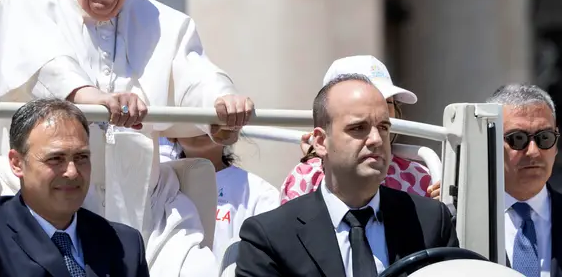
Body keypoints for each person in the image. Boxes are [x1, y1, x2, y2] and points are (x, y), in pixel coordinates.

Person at [0, 0, 252, 276]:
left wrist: (223, 105)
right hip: (46, 200)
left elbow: (197, 76)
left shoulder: (164, 22)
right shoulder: (27, 3)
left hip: (146, 205)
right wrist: (94, 99)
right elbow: (48, 67)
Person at [236, 74, 458, 277]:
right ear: (320, 142)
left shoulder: (431, 221)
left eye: (383, 127)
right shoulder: (270, 236)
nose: (376, 139)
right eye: (358, 128)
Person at [0, 98, 149, 277]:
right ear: (17, 163)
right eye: (56, 158)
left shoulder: (125, 245)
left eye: (81, 157)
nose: (72, 172)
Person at [281, 55, 435, 203]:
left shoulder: (420, 176)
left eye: (387, 101)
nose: (378, 109)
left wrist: (441, 206)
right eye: (357, 127)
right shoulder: (306, 178)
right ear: (321, 140)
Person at [487, 84, 562, 276]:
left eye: (545, 137)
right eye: (518, 138)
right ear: (489, 142)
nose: (534, 152)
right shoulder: (456, 220)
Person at [168, 133, 280, 261]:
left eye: (213, 121)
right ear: (171, 135)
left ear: (232, 130)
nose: (203, 126)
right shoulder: (157, 184)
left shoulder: (261, 194)